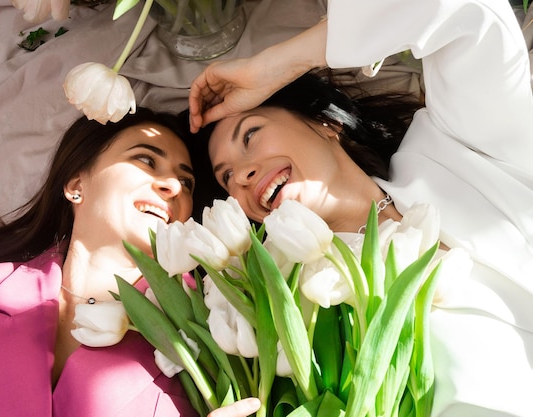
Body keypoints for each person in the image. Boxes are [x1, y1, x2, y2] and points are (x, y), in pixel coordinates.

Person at [189, 0, 533, 415]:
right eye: (227, 178)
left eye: (251, 137)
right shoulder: (305, 314)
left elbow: (470, 11)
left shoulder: (456, 146)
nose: (242, 175)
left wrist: (278, 64)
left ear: (325, 124)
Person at [0, 108, 260, 417]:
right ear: (76, 183)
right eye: (146, 160)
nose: (173, 186)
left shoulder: (216, 335)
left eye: (186, 181)